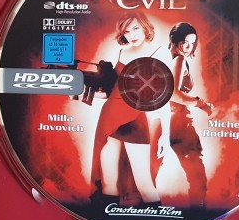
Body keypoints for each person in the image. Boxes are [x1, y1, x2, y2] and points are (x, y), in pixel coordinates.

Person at [90, 12, 167, 208]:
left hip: (134, 120)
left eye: (136, 28)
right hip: (109, 117)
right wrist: (83, 93)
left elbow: (165, 98)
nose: (132, 35)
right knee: (108, 183)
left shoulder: (158, 53)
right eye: (126, 31)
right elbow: (112, 91)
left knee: (144, 184)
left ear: (145, 27)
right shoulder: (121, 53)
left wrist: (165, 135)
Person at [167, 22, 213, 209]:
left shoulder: (165, 57)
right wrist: (201, 103)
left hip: (164, 121)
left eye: (193, 43)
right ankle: (197, 215)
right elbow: (173, 94)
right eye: (185, 42)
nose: (189, 46)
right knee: (197, 178)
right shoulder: (178, 60)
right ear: (175, 40)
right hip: (179, 123)